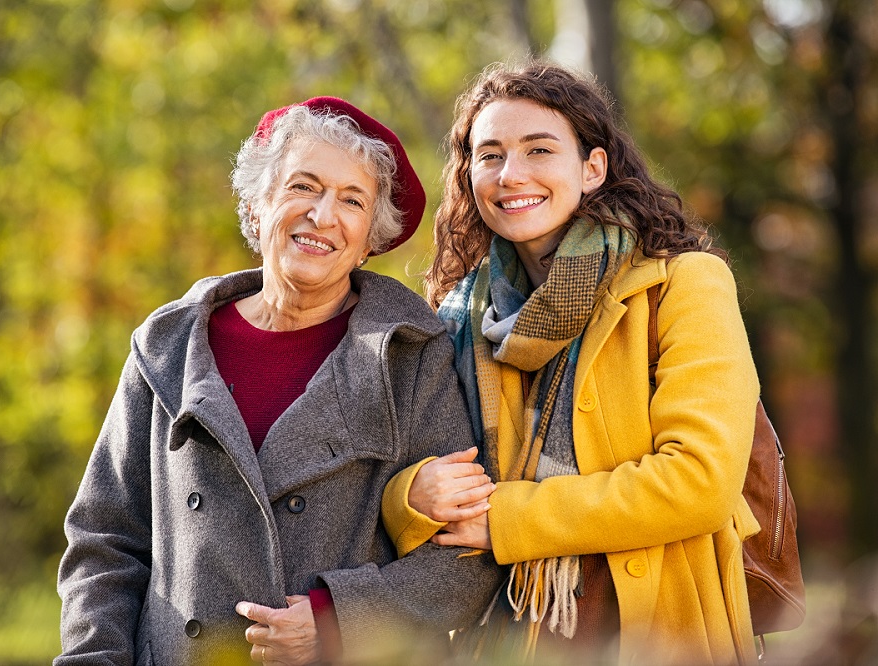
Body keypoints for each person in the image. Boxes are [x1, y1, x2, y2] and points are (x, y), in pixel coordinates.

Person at [55, 96, 504, 665]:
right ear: (257, 205)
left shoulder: (410, 353)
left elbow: (464, 559)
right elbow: (105, 542)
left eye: (351, 201)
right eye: (302, 187)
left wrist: (336, 620)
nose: (323, 215)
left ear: (371, 238)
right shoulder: (168, 346)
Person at [381, 60, 762, 665]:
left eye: (539, 149)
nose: (512, 175)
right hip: (503, 635)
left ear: (592, 168)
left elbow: (701, 481)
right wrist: (411, 496)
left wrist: (509, 518)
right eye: (490, 155)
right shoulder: (454, 319)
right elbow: (402, 478)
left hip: (655, 627)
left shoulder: (683, 285)